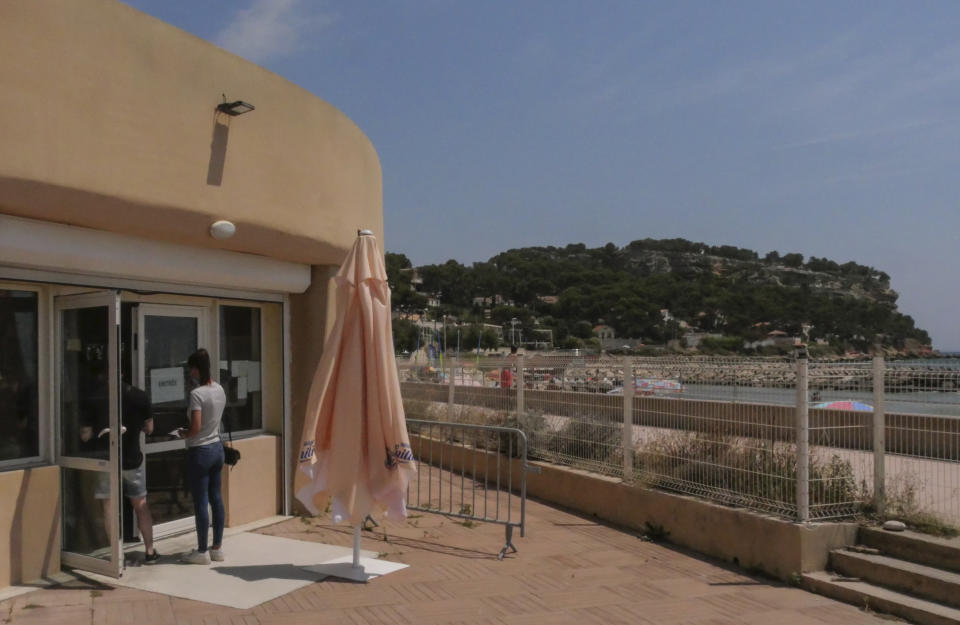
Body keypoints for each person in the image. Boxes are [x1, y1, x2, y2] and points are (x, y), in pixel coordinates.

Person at [179, 348, 226, 565]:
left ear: (197, 369)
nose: (191, 373)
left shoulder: (197, 394)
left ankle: (201, 551)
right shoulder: (219, 389)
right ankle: (217, 547)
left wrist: (183, 433)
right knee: (216, 498)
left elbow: (196, 426)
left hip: (200, 450)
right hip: (217, 447)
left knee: (201, 501)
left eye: (191, 369)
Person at [118, 381, 158, 564]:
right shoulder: (139, 396)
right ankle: (150, 551)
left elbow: (85, 433)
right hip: (132, 459)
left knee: (109, 508)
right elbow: (150, 428)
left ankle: (115, 555)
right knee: (140, 505)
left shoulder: (100, 395)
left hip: (107, 461)